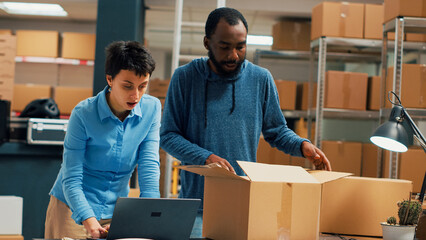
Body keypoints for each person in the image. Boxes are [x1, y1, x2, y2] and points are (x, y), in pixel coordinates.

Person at [160, 7, 332, 237]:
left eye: (240, 47)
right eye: (224, 47)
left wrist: (302, 146)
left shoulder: (261, 79)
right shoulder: (185, 77)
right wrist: (206, 158)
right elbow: (169, 136)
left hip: (246, 203)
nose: (233, 55)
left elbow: (277, 131)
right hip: (197, 208)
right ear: (207, 42)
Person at [45, 41, 161, 239]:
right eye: (127, 86)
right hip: (72, 208)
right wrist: (88, 219)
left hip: (117, 209)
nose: (136, 95)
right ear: (110, 79)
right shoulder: (83, 114)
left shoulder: (152, 108)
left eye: (143, 86)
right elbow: (71, 177)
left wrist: (149, 215)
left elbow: (149, 165)